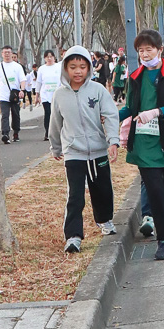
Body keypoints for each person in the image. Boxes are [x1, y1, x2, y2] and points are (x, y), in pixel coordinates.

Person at [119, 29, 164, 259]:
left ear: (160, 50)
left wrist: (156, 112)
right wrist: (110, 116)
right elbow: (131, 108)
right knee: (155, 192)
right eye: (141, 51)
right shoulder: (135, 77)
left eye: (149, 49)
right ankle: (163, 240)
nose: (145, 54)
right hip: (145, 144)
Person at [49, 46, 122, 253]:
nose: (78, 71)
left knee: (103, 190)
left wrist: (113, 141)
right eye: (73, 67)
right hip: (73, 152)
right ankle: (73, 236)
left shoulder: (98, 90)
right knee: (75, 195)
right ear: (65, 68)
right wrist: (56, 147)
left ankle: (104, 220)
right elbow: (55, 122)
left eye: (82, 66)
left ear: (89, 68)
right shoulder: (59, 95)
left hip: (98, 150)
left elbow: (110, 115)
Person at [0, 46, 26, 144]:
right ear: (2, 54)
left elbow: (22, 79)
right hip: (3, 96)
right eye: (5, 52)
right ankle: (5, 134)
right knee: (5, 115)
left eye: (8, 52)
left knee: (16, 115)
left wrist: (22, 90)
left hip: (15, 95)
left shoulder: (17, 66)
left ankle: (16, 132)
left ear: (12, 53)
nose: (7, 54)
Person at [36, 50, 61, 140]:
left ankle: (58, 132)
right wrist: (37, 95)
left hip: (57, 95)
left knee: (56, 114)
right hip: (45, 95)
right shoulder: (42, 69)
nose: (49, 58)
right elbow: (39, 82)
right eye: (47, 57)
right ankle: (48, 132)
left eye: (51, 56)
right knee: (48, 113)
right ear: (44, 58)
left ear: (54, 57)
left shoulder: (59, 67)